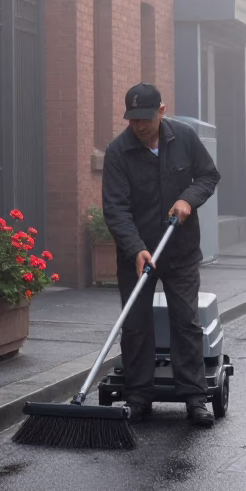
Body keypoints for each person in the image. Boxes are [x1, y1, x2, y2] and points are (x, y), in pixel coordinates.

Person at [102, 83, 221, 427]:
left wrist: (188, 198)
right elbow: (115, 209)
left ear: (161, 111)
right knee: (136, 325)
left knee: (185, 321)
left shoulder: (183, 138)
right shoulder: (117, 151)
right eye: (133, 119)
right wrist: (135, 248)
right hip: (137, 254)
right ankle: (139, 396)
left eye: (145, 118)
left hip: (180, 251)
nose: (139, 126)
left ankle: (194, 398)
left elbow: (209, 175)